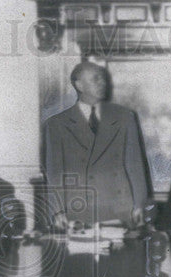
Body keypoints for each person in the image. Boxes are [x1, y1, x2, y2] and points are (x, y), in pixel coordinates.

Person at [42, 61, 152, 228]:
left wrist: (139, 205)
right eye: (96, 79)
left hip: (121, 208)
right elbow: (55, 172)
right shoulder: (56, 124)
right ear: (79, 85)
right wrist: (57, 210)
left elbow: (135, 165)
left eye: (103, 79)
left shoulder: (124, 117)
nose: (103, 83)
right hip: (78, 210)